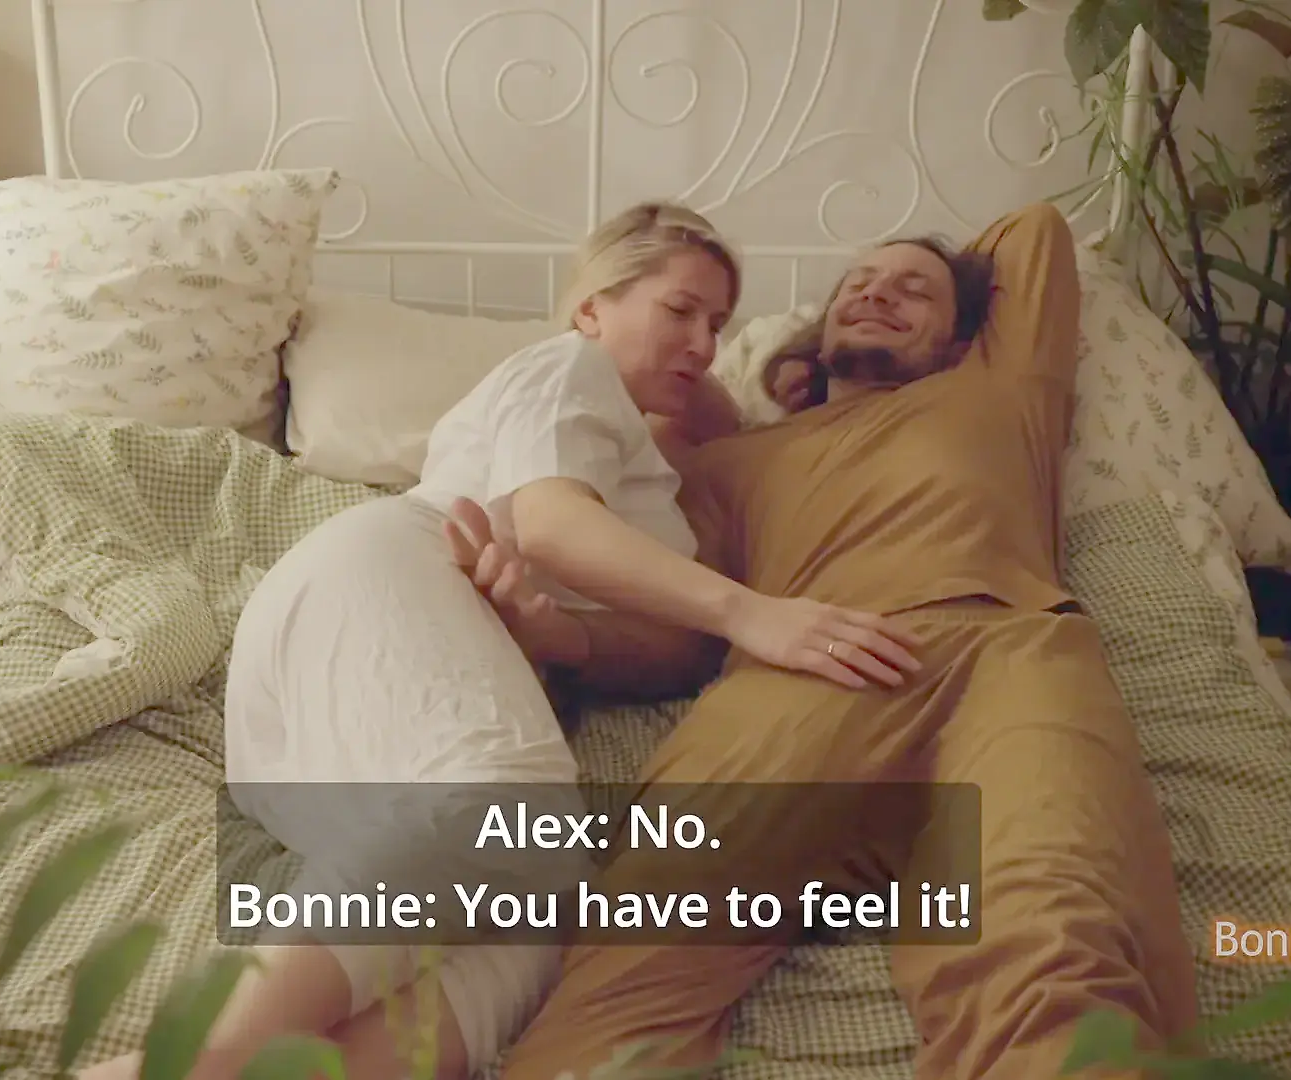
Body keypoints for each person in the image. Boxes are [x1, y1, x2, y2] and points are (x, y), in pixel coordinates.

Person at [74, 201, 927, 1080]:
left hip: (350, 724)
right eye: (680, 310)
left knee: (533, 939)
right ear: (590, 307)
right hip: (393, 573)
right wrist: (752, 613)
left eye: (720, 325)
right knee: (515, 818)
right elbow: (552, 526)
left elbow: (667, 645)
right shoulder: (570, 369)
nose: (706, 344)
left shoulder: (649, 467)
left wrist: (556, 633)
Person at [452, 203, 1201, 1080]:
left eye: (913, 291)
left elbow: (1034, 232)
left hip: (1007, 650)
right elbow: (679, 637)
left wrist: (929, 286)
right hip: (800, 666)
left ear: (964, 333)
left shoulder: (1001, 386)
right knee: (637, 954)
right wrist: (563, 635)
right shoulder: (731, 464)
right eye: (858, 284)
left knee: (1059, 936)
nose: (877, 293)